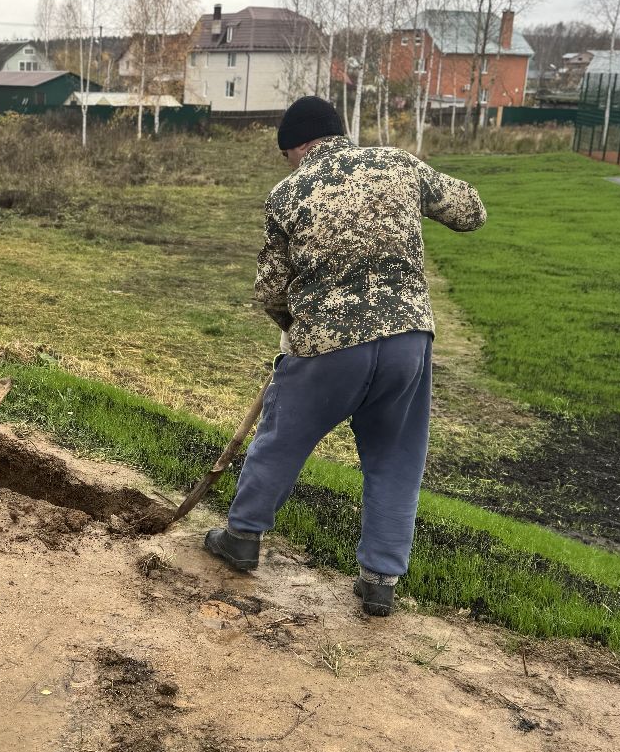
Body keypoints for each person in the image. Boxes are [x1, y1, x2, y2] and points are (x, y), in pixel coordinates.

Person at [203, 95, 486, 616]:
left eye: (286, 152)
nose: (287, 161)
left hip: (326, 345)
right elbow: (471, 212)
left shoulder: (289, 193)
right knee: (396, 458)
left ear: (299, 145)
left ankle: (242, 538)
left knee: (281, 441)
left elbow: (270, 288)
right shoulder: (398, 164)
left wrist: (293, 331)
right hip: (407, 340)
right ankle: (380, 581)